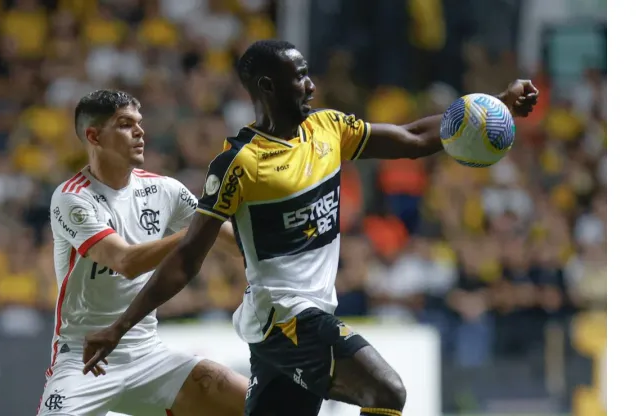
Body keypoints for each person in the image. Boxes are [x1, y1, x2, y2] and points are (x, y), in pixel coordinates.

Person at [81, 40, 539, 416]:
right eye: (298, 76)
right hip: (284, 316)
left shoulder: (328, 128)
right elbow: (186, 259)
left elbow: (416, 139)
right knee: (386, 392)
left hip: (299, 318)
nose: (310, 84)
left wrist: (494, 107)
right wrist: (120, 326)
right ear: (266, 86)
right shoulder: (239, 163)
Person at [37, 90, 248, 416]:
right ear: (94, 136)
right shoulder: (71, 198)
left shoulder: (165, 190)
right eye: (124, 124)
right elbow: (125, 262)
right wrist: (197, 228)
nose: (140, 132)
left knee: (252, 401)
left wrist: (264, 211)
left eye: (139, 123)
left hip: (146, 354)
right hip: (83, 358)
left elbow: (235, 244)